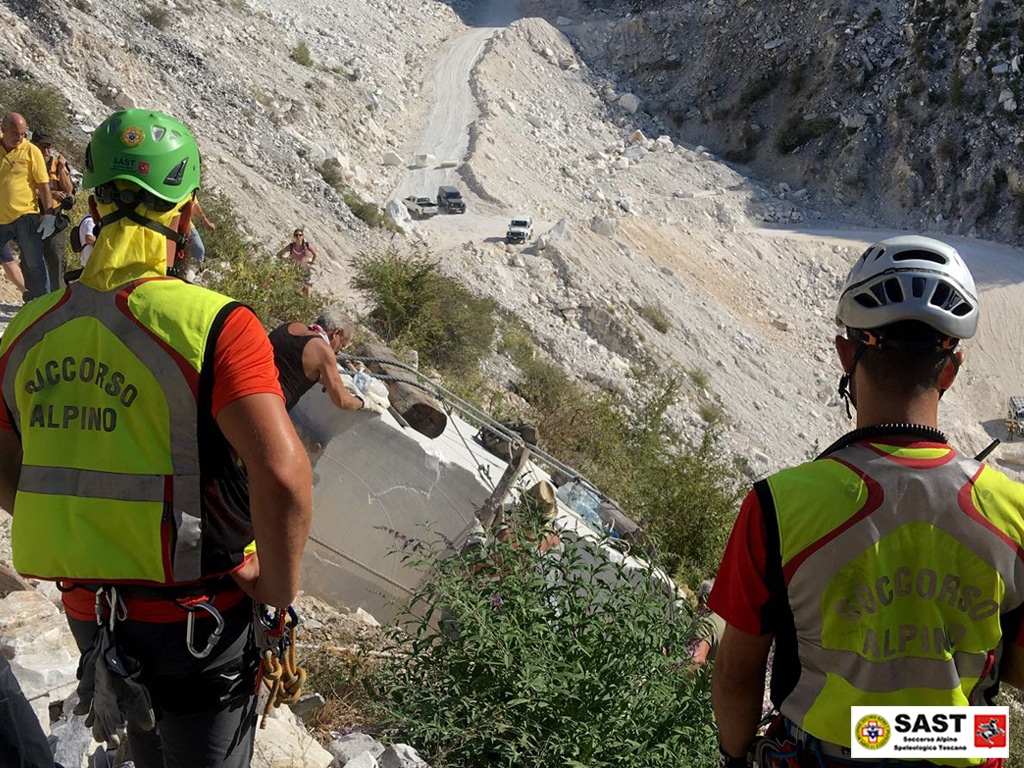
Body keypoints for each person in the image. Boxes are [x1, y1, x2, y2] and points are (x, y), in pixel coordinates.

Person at [0, 109, 313, 768]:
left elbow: (9, 474)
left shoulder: (26, 331)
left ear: (91, 205)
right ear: (188, 214)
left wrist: (89, 531)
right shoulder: (216, 325)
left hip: (94, 616)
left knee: (145, 746)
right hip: (201, 623)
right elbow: (283, 479)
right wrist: (276, 590)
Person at [710, 236, 1024, 768]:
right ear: (951, 370)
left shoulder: (777, 504)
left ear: (845, 354)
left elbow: (737, 676)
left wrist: (734, 757)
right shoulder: (1012, 509)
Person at [268, 308, 370, 412]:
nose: (338, 353)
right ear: (336, 333)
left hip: (255, 390)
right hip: (273, 407)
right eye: (341, 346)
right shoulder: (323, 350)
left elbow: (295, 367)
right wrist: (364, 403)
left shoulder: (289, 326)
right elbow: (343, 401)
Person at [0, 113, 54, 301]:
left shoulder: (31, 151)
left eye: (23, 134)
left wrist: (49, 214)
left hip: (26, 216)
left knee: (34, 262)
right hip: (0, 219)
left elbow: (43, 185)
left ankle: (43, 304)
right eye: (15, 133)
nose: (19, 138)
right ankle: (28, 295)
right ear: (3, 128)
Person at [33, 132, 74, 292]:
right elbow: (24, 188)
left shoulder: (57, 164)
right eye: (43, 147)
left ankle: (58, 297)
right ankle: (35, 296)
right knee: (31, 259)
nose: (46, 151)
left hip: (55, 219)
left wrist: (62, 168)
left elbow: (69, 190)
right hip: (33, 217)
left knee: (56, 257)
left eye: (49, 147)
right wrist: (51, 194)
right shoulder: (28, 163)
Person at [274, 228, 317, 297]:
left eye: (300, 235)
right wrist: (285, 262)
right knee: (295, 288)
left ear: (302, 236)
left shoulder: (307, 245)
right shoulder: (291, 246)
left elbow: (315, 254)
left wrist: (311, 264)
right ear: (294, 236)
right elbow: (279, 254)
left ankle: (307, 303)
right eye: (296, 235)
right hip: (294, 270)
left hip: (304, 269)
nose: (298, 237)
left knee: (306, 287)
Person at [185, 196, 214, 267]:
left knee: (199, 249)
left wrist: (207, 222)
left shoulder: (188, 189)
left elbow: (195, 205)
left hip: (186, 224)